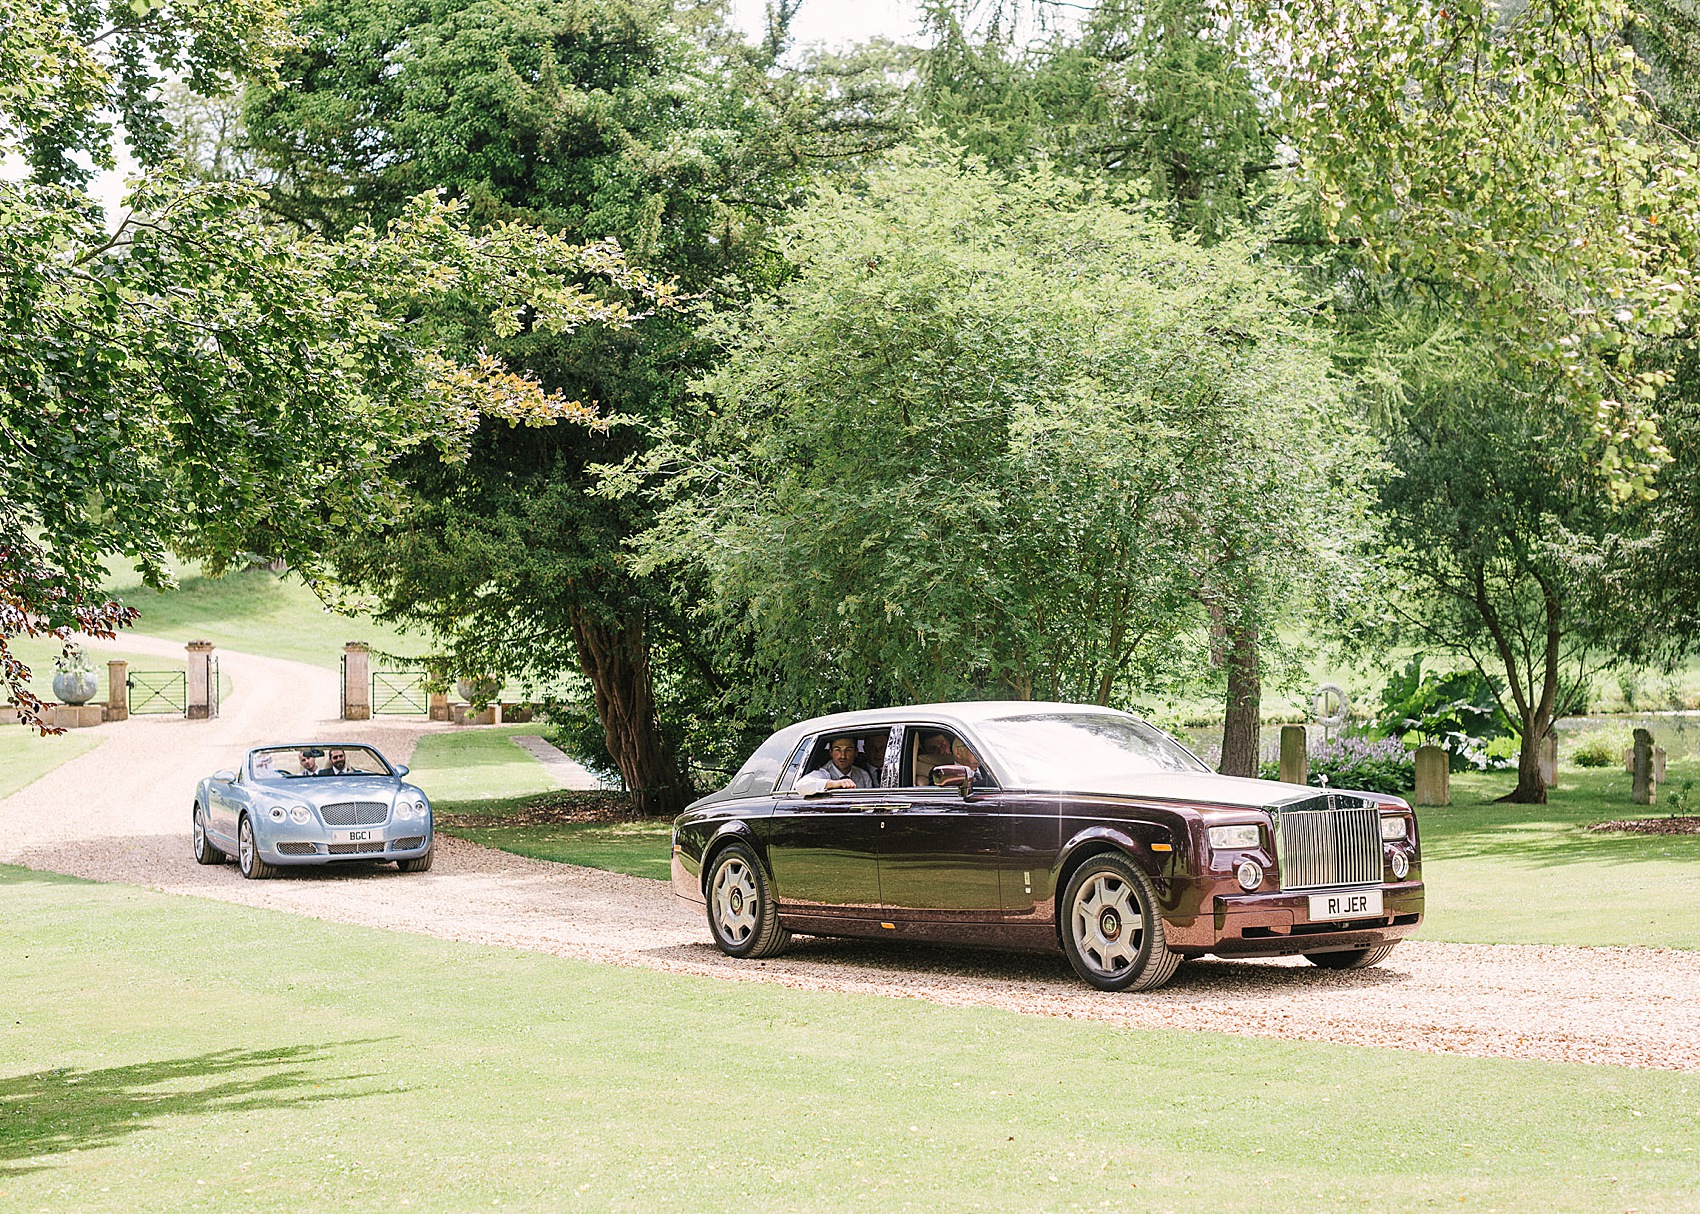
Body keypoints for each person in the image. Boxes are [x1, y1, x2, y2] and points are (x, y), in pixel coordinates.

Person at [796, 735, 873, 794]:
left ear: (856, 752)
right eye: (837, 750)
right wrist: (834, 783)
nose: (843, 755)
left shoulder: (863, 775)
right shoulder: (824, 773)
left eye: (848, 750)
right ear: (830, 752)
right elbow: (801, 785)